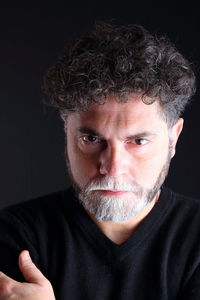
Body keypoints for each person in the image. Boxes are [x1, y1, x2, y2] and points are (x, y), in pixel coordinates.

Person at [0, 22, 199, 300]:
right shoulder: (13, 234)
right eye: (92, 140)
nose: (113, 167)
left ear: (173, 139)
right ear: (67, 132)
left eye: (138, 141)